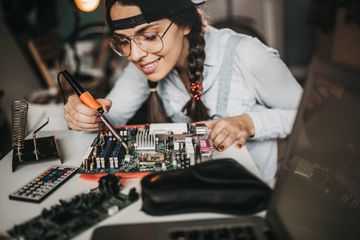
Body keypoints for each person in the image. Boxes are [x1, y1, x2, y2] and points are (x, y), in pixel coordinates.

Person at [64, 0, 303, 182]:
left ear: (185, 24)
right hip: (194, 186)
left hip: (252, 193)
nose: (135, 55)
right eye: (123, 42)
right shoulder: (145, 64)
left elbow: (311, 116)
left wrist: (248, 123)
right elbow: (111, 118)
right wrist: (84, 115)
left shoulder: (247, 55)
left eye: (149, 36)